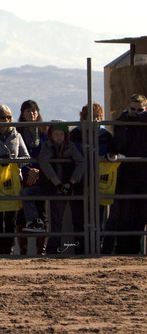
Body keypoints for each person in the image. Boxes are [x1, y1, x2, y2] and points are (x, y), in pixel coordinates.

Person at [0, 105, 30, 256]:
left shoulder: (17, 136)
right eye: (2, 117)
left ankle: (9, 249)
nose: (6, 120)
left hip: (12, 182)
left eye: (8, 117)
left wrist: (14, 161)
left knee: (11, 218)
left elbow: (27, 158)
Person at [38, 120, 87, 254]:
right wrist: (57, 183)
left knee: (77, 220)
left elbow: (81, 163)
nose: (59, 136)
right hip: (56, 189)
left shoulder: (70, 147)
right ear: (51, 135)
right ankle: (53, 251)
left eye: (61, 134)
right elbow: (43, 161)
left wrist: (72, 182)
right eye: (56, 134)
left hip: (71, 188)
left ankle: (80, 250)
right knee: (56, 222)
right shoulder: (47, 147)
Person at [107, 93, 147, 255]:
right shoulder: (123, 122)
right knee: (124, 215)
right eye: (133, 109)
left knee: (140, 215)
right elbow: (117, 142)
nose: (136, 112)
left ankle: (134, 250)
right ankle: (122, 250)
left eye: (140, 110)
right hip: (126, 175)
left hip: (144, 175)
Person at [70, 102, 112, 251]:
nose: (95, 120)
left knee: (98, 217)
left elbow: (113, 153)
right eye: (91, 117)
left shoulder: (106, 135)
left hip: (98, 181)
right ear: (84, 118)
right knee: (78, 218)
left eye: (97, 117)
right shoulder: (75, 134)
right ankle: (80, 249)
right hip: (79, 180)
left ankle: (97, 249)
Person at [16, 100, 48, 256]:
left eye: (34, 111)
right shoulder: (18, 132)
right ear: (23, 113)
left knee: (41, 213)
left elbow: (48, 155)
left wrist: (38, 172)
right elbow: (17, 154)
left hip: (41, 177)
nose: (32, 114)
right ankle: (23, 250)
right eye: (28, 111)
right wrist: (29, 170)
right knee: (21, 216)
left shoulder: (44, 132)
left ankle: (40, 250)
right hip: (24, 176)